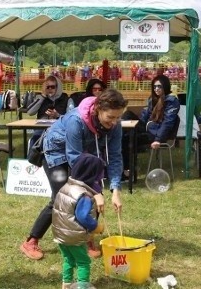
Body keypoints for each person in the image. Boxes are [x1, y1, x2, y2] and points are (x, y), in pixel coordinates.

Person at [20, 88, 127, 260]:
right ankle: (31, 241)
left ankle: (85, 240)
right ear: (98, 109)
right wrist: (96, 190)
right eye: (110, 117)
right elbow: (75, 159)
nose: (114, 122)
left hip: (84, 153)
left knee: (90, 197)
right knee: (62, 198)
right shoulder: (75, 120)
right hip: (57, 153)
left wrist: (115, 190)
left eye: (118, 117)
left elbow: (115, 156)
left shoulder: (114, 124)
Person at [52, 153, 105, 289]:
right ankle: (82, 286)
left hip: (60, 235)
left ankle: (66, 284)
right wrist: (95, 226)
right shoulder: (84, 195)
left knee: (68, 259)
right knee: (83, 262)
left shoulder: (66, 187)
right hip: (73, 237)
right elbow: (83, 216)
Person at [122, 75, 180, 178]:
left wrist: (158, 139)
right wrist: (137, 123)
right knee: (127, 115)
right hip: (148, 128)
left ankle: (128, 170)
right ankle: (125, 168)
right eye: (154, 86)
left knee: (127, 138)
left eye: (159, 86)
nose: (156, 89)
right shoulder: (153, 99)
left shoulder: (171, 101)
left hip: (157, 134)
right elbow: (145, 118)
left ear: (165, 86)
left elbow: (167, 123)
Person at [26, 75, 69, 148]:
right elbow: (30, 112)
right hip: (42, 129)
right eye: (47, 87)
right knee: (36, 137)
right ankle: (33, 158)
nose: (50, 89)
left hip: (59, 128)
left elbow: (71, 117)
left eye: (52, 87)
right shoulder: (41, 98)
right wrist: (42, 96)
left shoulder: (66, 99)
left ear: (58, 87)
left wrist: (58, 115)